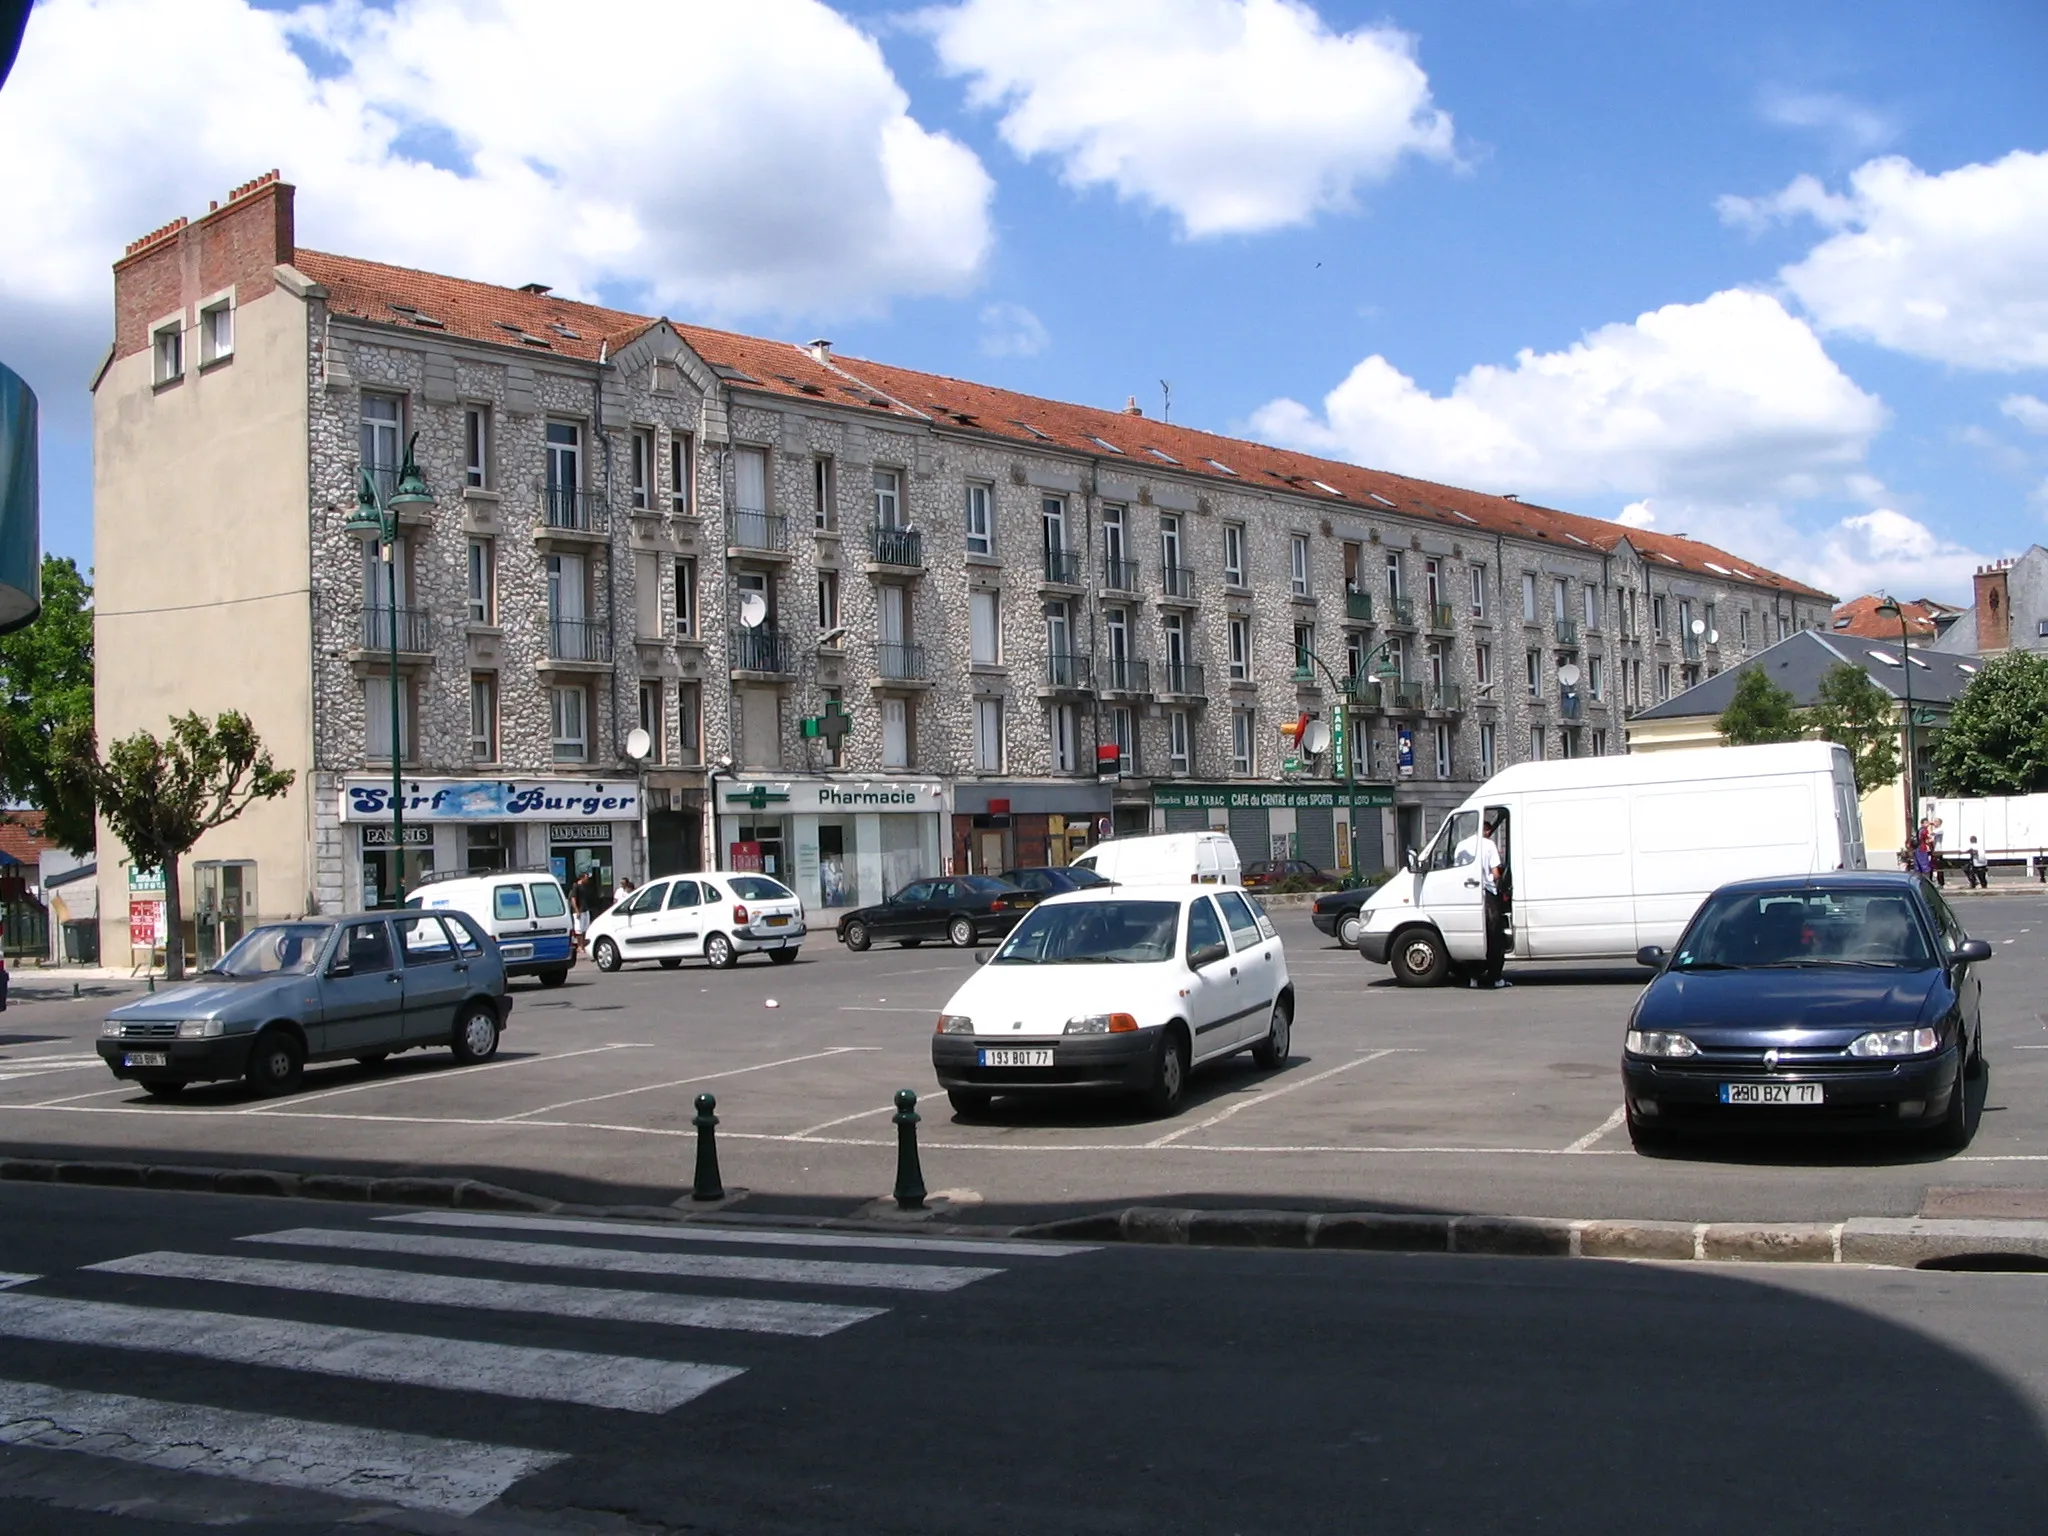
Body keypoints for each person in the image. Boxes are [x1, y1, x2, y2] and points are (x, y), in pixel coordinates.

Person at [1455, 815, 1511, 989]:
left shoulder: (1461, 846)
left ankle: (1473, 978)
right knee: (1494, 939)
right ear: (1486, 830)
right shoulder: (1488, 845)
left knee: (1474, 938)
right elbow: (1495, 873)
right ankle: (1495, 978)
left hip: (1467, 896)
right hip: (1487, 896)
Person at [570, 869, 600, 955]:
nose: (587, 879)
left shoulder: (586, 887)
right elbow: (573, 898)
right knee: (579, 929)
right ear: (582, 878)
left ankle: (583, 945)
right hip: (579, 911)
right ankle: (579, 946)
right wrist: (576, 910)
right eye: (586, 877)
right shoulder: (576, 886)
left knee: (584, 929)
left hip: (586, 909)